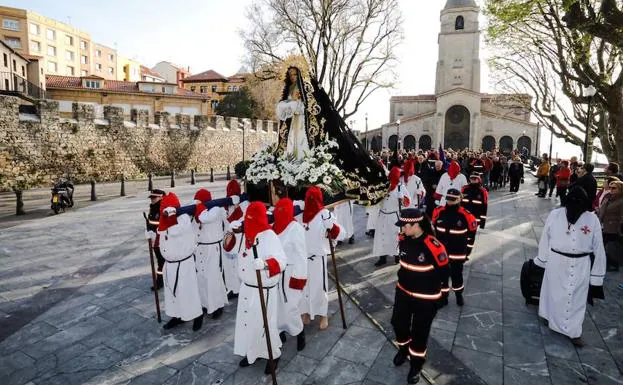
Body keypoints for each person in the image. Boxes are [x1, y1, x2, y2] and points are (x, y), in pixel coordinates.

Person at [535, 186, 606, 346]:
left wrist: (597, 276)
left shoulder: (591, 219)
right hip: (557, 261)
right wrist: (542, 260)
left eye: (579, 202)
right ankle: (549, 317)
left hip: (581, 264)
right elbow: (545, 237)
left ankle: (573, 331)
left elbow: (599, 248)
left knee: (576, 298)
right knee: (553, 292)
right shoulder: (555, 215)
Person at [391, 208, 450, 385]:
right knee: (398, 324)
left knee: (419, 333)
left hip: (426, 299)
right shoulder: (403, 239)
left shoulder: (433, 245)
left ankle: (416, 365)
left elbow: (444, 272)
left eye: (405, 226)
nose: (402, 230)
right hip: (403, 293)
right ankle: (404, 349)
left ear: (416, 225)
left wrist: (443, 296)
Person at [229, 202, 288, 373]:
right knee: (247, 323)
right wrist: (230, 231)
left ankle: (273, 354)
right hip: (247, 287)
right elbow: (229, 247)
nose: (249, 221)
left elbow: (282, 261)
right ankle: (252, 353)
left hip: (264, 289)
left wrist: (265, 265)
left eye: (252, 218)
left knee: (265, 325)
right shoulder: (245, 234)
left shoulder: (270, 236)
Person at [299, 186, 344, 330]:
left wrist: (331, 227)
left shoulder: (325, 214)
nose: (311, 201)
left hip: (317, 257)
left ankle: (323, 314)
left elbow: (341, 233)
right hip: (302, 258)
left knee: (319, 288)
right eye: (308, 198)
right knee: (304, 287)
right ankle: (305, 312)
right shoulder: (300, 213)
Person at [158, 192, 204, 331]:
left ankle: (197, 315)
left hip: (183, 264)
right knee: (172, 293)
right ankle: (176, 316)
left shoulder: (183, 218)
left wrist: (171, 216)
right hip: (170, 264)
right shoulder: (165, 219)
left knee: (188, 292)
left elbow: (174, 231)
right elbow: (163, 233)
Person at [432, 189, 478, 306]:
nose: (450, 202)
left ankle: (459, 295)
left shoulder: (466, 215)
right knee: (442, 275)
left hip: (458, 251)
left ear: (459, 199)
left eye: (453, 200)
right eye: (448, 199)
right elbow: (433, 228)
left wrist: (468, 250)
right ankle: (444, 296)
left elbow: (472, 233)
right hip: (442, 253)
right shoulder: (438, 212)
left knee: (457, 274)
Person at [273, 198, 308, 351]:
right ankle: (280, 332)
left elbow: (301, 255)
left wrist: (298, 278)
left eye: (283, 210)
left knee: (290, 307)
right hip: (276, 274)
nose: (279, 213)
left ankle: (300, 332)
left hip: (291, 273)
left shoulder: (296, 228)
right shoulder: (273, 227)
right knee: (277, 307)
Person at [192, 188, 228, 320]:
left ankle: (218, 306)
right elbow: (194, 229)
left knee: (213, 278)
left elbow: (205, 218)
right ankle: (205, 303)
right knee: (201, 278)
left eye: (198, 202)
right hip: (201, 248)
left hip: (213, 248)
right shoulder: (197, 212)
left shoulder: (215, 210)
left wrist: (199, 209)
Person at [373, 167, 409, 266]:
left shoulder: (400, 187)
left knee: (394, 237)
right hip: (383, 215)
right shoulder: (384, 185)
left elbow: (407, 202)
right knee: (382, 236)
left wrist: (402, 198)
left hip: (394, 215)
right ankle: (382, 257)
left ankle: (397, 256)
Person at [223, 180, 248, 299]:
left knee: (239, 264)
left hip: (239, 237)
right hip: (229, 236)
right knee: (229, 266)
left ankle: (242, 287)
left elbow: (239, 220)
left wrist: (237, 207)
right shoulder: (226, 204)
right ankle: (233, 288)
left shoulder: (244, 203)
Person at [598, 181, 623, 272]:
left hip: (614, 228)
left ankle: (613, 264)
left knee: (610, 247)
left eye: (614, 188)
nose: (611, 189)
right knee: (604, 245)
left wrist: (620, 229)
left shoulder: (621, 200)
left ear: (620, 189)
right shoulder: (608, 197)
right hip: (604, 225)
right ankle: (608, 263)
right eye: (610, 187)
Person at [145, 189, 165, 290]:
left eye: (154, 197)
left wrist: (154, 231)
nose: (152, 199)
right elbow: (150, 222)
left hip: (162, 240)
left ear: (161, 197)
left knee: (162, 261)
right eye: (151, 198)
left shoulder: (163, 208)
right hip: (155, 240)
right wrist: (148, 230)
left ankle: (161, 282)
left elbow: (163, 225)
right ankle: (161, 281)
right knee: (160, 261)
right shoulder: (153, 207)